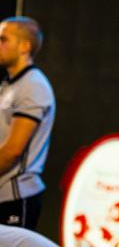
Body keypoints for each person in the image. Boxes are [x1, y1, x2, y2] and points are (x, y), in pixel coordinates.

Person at [0, 17, 55, 230]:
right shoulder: (9, 84)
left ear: (25, 46)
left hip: (16, 197)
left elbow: (13, 150)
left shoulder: (33, 86)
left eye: (4, 39)